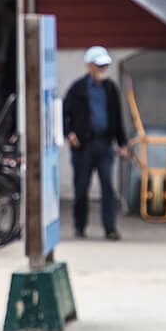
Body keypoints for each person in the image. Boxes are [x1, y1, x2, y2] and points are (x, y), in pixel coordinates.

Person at [64, 46, 126, 240]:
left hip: (104, 144)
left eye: (105, 65)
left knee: (107, 186)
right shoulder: (78, 88)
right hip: (83, 146)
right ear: (89, 65)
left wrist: (122, 144)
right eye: (99, 65)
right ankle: (80, 225)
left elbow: (117, 117)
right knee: (81, 187)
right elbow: (64, 113)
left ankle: (110, 228)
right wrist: (69, 133)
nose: (103, 69)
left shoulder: (110, 88)